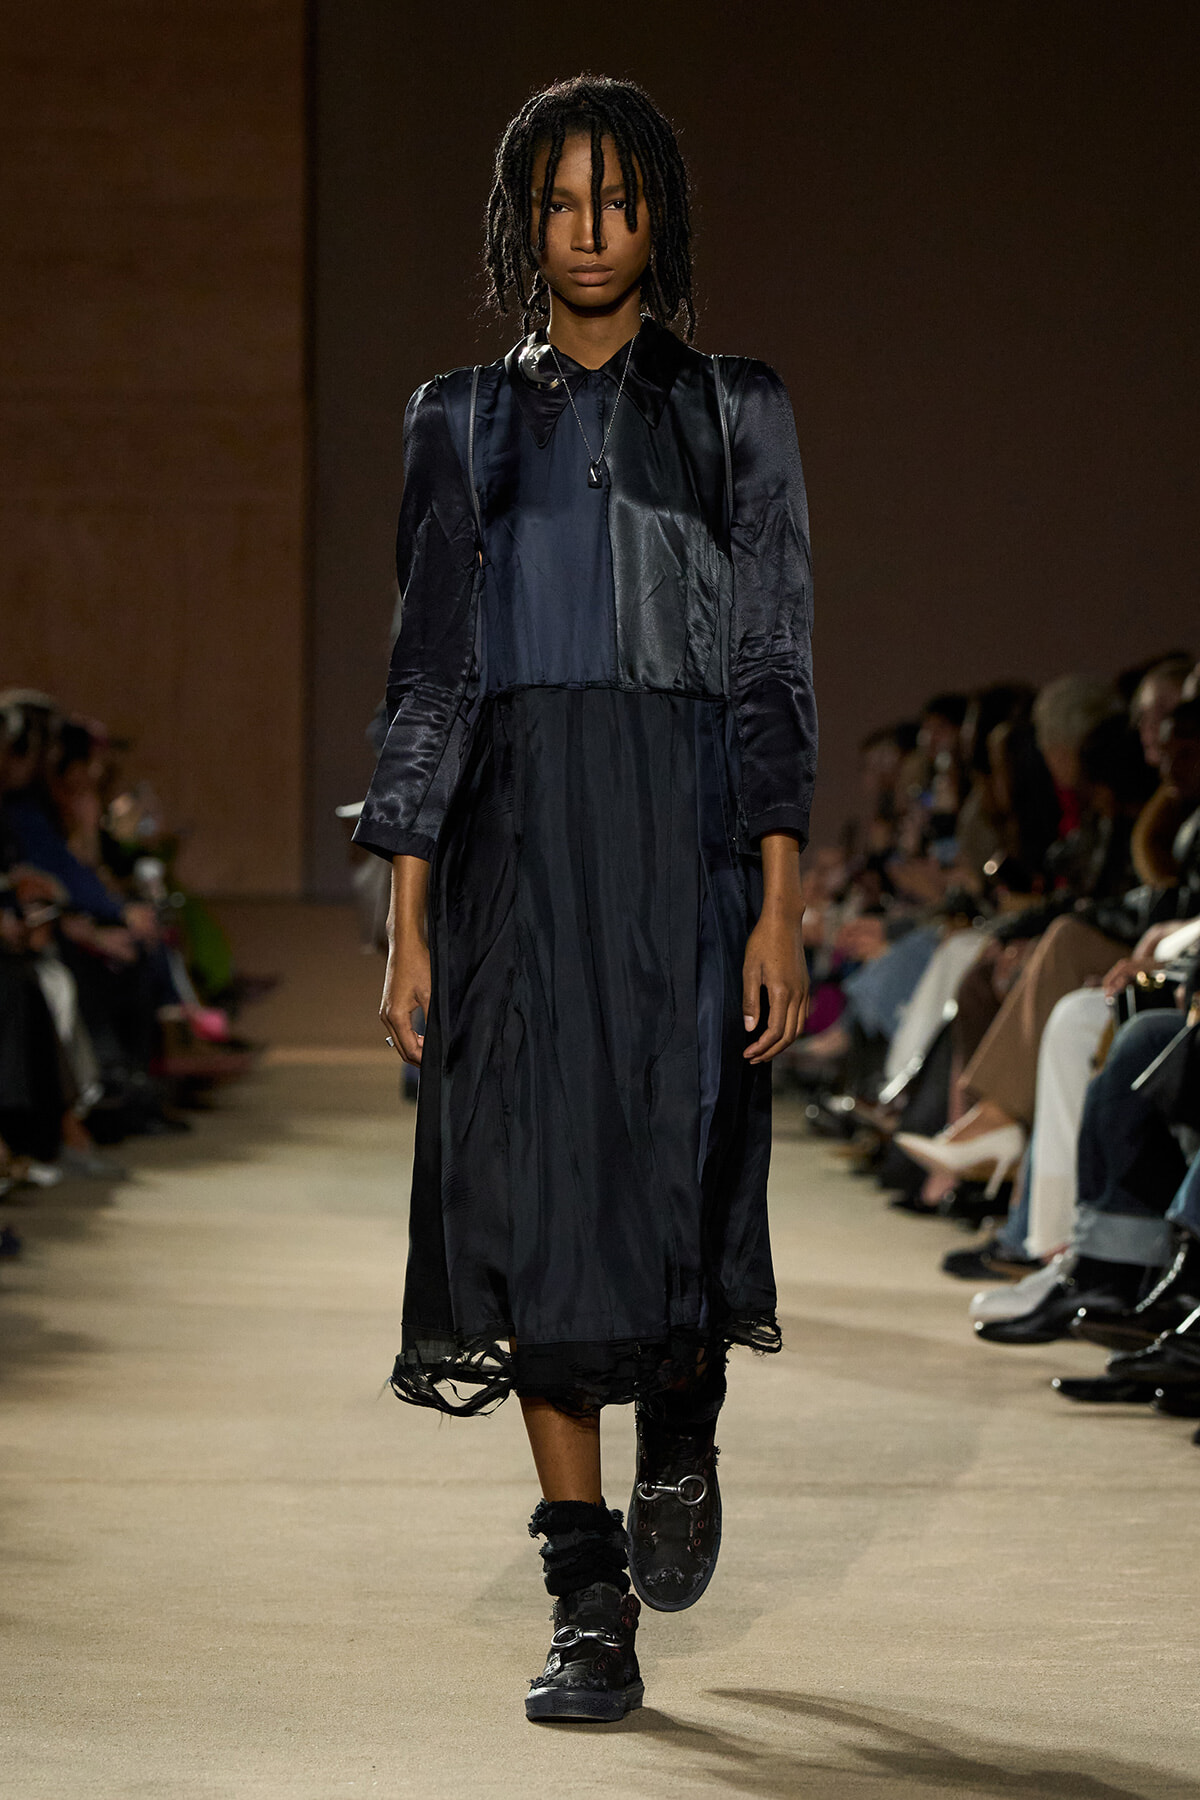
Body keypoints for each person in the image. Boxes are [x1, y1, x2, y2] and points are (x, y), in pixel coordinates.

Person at [352, 75, 816, 1723]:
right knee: (539, 1209)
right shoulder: (459, 419)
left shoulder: (737, 410)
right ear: (523, 224)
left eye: (619, 199)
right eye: (562, 202)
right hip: (518, 858)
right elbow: (428, 679)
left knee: (678, 1181)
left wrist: (779, 898)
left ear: (660, 215)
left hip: (687, 848)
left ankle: (681, 1423)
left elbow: (769, 666)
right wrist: (407, 915)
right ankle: (586, 1593)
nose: (593, 230)